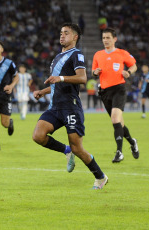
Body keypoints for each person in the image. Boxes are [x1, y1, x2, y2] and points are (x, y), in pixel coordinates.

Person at [32, 23, 108, 189]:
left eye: (66, 33)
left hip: (70, 107)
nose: (62, 36)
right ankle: (66, 151)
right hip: (55, 107)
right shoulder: (57, 57)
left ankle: (100, 177)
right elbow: (56, 84)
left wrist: (61, 78)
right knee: (38, 135)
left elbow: (82, 78)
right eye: (61, 33)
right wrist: (43, 92)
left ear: (75, 37)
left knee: (78, 149)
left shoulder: (77, 55)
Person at [92, 27, 139, 163]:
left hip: (119, 89)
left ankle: (119, 152)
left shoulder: (122, 53)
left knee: (114, 119)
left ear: (115, 39)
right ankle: (132, 142)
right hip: (105, 92)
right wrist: (95, 72)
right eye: (104, 38)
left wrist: (129, 72)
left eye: (108, 38)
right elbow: (94, 71)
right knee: (119, 123)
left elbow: (134, 65)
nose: (105, 40)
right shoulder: (98, 55)